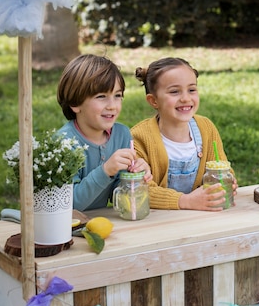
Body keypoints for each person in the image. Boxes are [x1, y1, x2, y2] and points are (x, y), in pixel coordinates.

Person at [132, 57, 237, 211]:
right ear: (154, 101)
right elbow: (140, 189)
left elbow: (221, 168)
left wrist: (229, 181)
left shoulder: (206, 128)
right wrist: (185, 201)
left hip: (203, 218)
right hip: (159, 223)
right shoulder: (139, 138)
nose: (186, 98)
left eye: (192, 90)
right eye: (174, 92)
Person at [56, 54, 151, 211]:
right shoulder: (65, 143)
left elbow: (118, 199)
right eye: (101, 97)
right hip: (65, 229)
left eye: (118, 96)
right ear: (75, 103)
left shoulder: (122, 134)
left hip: (100, 223)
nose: (112, 106)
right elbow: (69, 205)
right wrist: (106, 170)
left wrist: (135, 178)